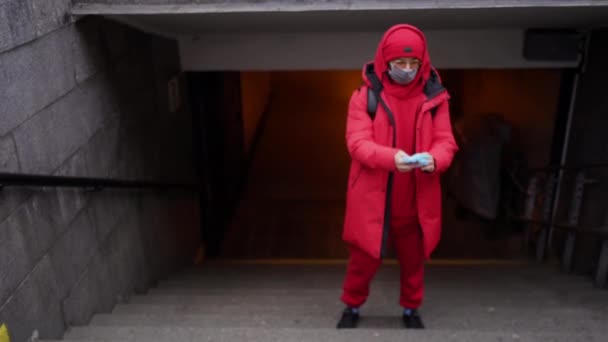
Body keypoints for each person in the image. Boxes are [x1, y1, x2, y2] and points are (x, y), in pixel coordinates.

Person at [337, 24, 458, 329]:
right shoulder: (364, 97)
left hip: (416, 202)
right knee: (363, 261)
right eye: (399, 63)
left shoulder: (436, 98)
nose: (406, 69)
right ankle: (351, 305)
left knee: (413, 263)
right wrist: (393, 158)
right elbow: (357, 143)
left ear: (423, 63)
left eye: (413, 63)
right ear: (384, 62)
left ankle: (410, 309)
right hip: (374, 203)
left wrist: (435, 159)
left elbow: (446, 141)